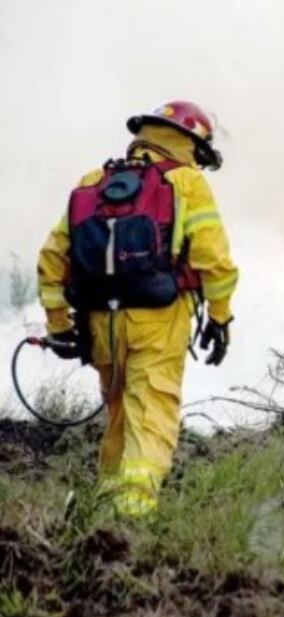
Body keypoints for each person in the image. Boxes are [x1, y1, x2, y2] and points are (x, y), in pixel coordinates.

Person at [36, 100, 239, 516]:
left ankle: (103, 511)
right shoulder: (186, 183)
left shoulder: (94, 182)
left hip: (101, 327)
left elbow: (52, 258)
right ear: (188, 144)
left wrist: (59, 326)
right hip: (159, 320)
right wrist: (219, 318)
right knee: (151, 411)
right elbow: (214, 262)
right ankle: (130, 521)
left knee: (118, 416)